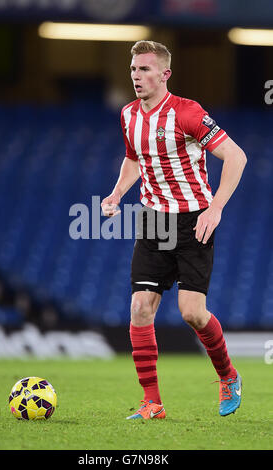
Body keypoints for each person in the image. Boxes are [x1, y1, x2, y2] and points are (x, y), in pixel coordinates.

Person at [101, 40, 247, 420]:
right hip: (152, 219)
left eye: (145, 69)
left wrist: (215, 208)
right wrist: (117, 193)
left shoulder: (187, 112)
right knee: (139, 307)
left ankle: (228, 376)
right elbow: (134, 157)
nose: (137, 76)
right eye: (134, 69)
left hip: (193, 218)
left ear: (165, 74)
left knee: (192, 313)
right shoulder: (128, 115)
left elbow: (236, 156)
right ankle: (153, 403)